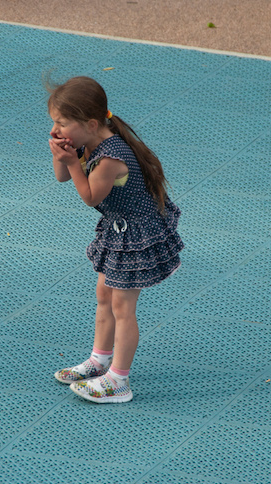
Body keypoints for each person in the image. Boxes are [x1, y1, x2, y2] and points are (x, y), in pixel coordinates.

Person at [47, 76, 184, 403]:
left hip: (136, 234)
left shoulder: (111, 159)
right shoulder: (87, 140)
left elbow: (91, 196)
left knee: (123, 306)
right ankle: (99, 360)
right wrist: (61, 155)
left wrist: (70, 161)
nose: (56, 128)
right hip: (118, 229)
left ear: (90, 123)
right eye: (54, 122)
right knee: (104, 296)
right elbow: (61, 176)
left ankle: (119, 381)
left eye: (62, 123)